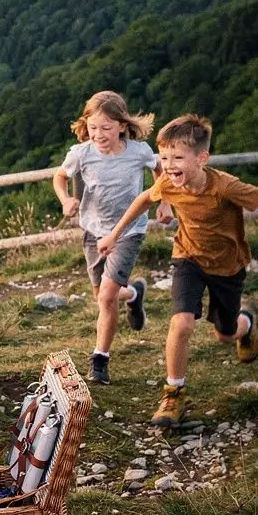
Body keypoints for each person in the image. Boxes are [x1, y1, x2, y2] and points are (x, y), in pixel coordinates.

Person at [98, 113, 258, 426]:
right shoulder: (168, 183)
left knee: (225, 335)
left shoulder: (225, 187)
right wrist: (114, 235)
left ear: (202, 158)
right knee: (181, 323)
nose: (169, 165)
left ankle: (246, 322)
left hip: (227, 266)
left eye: (178, 158)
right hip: (188, 259)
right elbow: (144, 199)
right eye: (165, 157)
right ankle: (174, 394)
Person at [53, 90, 159, 385]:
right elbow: (59, 177)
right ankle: (134, 295)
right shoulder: (81, 153)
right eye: (93, 127)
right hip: (93, 231)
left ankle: (100, 360)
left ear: (122, 126)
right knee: (102, 297)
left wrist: (165, 202)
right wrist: (65, 200)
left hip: (129, 231)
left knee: (107, 296)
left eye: (106, 128)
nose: (98, 134)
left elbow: (160, 170)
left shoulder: (138, 151)